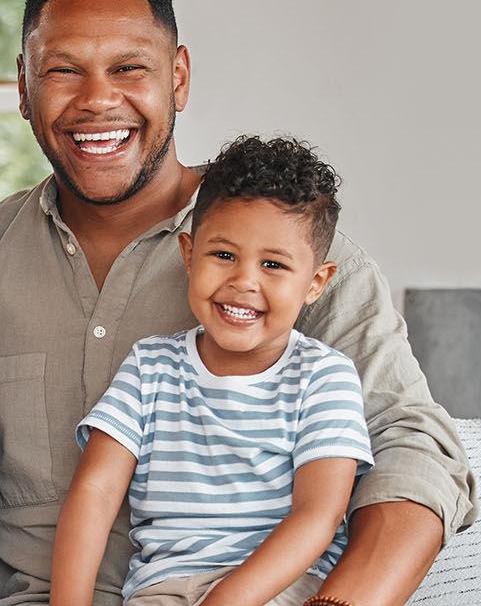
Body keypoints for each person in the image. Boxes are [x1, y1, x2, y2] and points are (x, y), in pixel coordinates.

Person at [0, 0, 477, 605]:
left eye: (131, 68)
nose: (98, 100)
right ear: (24, 88)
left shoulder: (300, 264)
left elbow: (412, 448)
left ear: (179, 77)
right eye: (62, 71)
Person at [50, 136, 373, 606]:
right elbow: (95, 492)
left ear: (316, 283)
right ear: (188, 254)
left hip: (279, 588)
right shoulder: (150, 367)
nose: (243, 281)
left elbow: (317, 516)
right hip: (163, 591)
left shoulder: (324, 377)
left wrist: (226, 601)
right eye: (223, 255)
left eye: (273, 264)